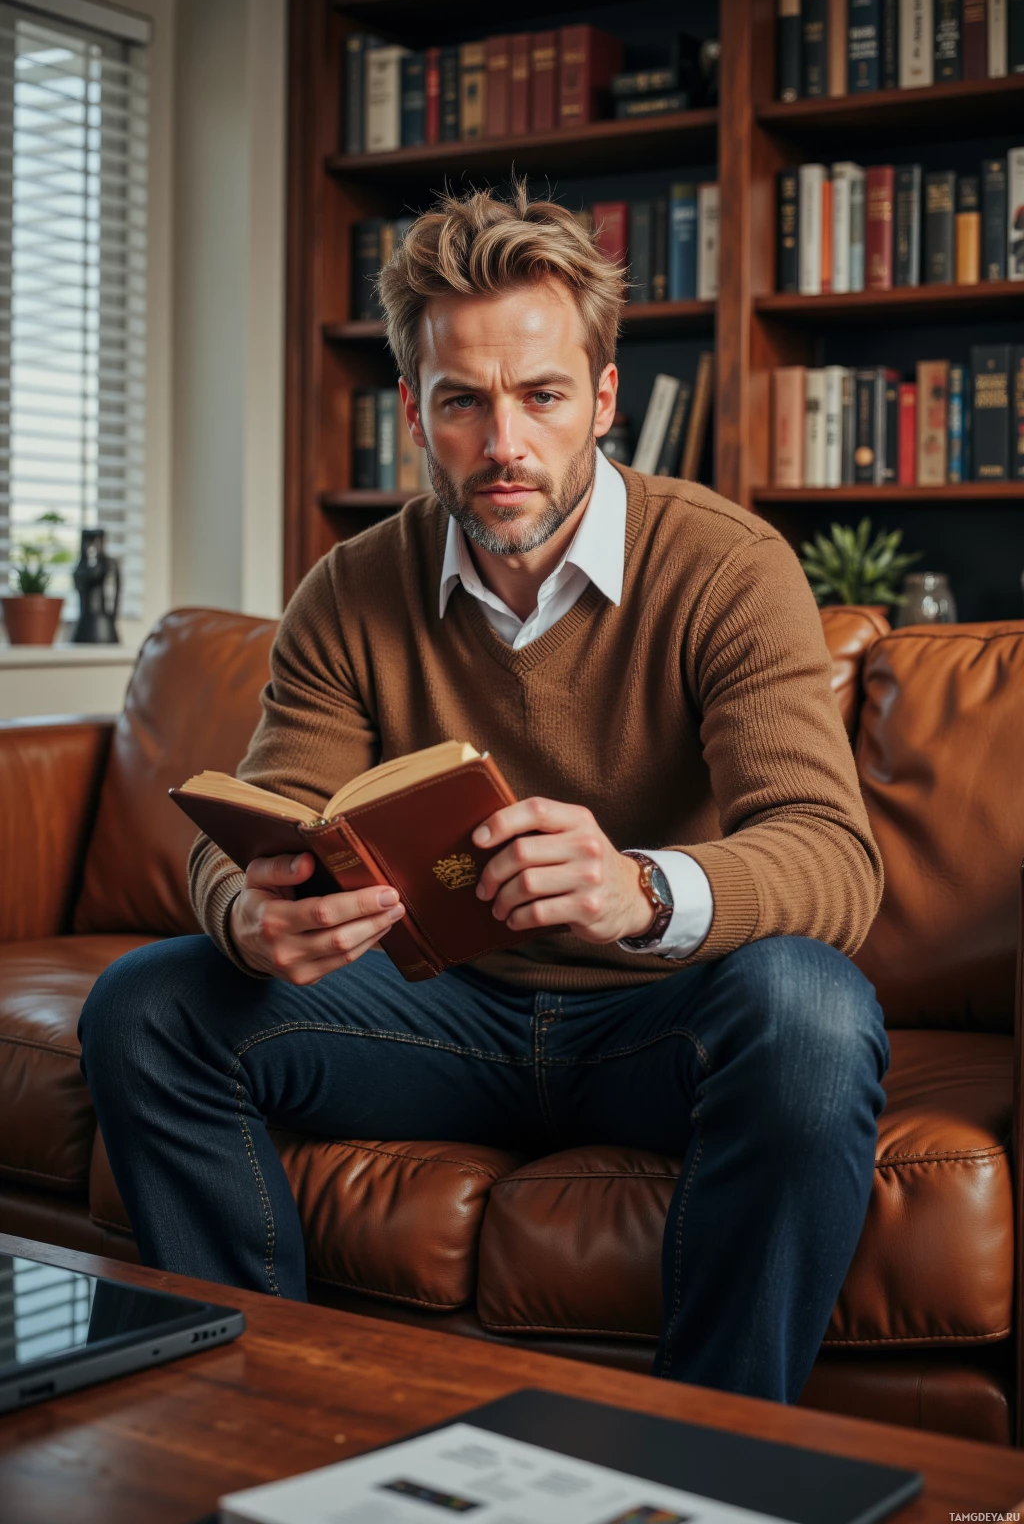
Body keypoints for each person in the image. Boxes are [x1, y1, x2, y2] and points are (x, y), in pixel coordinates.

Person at [79, 182, 889, 1406]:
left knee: (813, 1013)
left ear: (603, 400)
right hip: (431, 1019)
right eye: (462, 402)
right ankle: (261, 1406)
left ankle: (720, 1451)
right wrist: (249, 913)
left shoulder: (727, 565)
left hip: (658, 1021)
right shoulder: (351, 590)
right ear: (415, 409)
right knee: (146, 1006)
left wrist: (638, 889)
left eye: (542, 396)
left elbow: (832, 856)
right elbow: (250, 822)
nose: (503, 442)